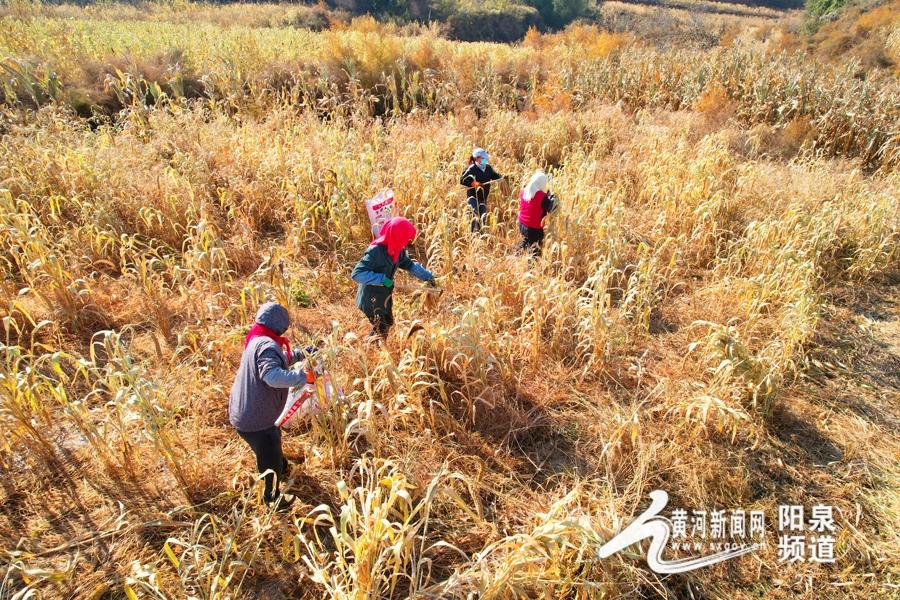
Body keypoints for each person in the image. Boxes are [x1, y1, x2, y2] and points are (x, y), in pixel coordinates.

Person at [229, 302, 312, 510]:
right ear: (279, 326)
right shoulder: (267, 345)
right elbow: (272, 376)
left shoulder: (257, 339)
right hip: (255, 419)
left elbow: (278, 360)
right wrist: (302, 377)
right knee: (268, 459)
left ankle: (282, 466)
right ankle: (272, 499)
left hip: (247, 410)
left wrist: (303, 353)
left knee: (273, 443)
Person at [351, 216, 435, 339]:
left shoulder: (397, 250)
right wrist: (382, 279)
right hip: (371, 298)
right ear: (397, 237)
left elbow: (410, 265)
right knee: (382, 328)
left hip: (384, 296)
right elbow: (357, 274)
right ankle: (370, 349)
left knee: (388, 322)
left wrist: (429, 277)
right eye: (405, 238)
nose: (407, 242)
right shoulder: (376, 252)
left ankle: (372, 344)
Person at [460, 148, 503, 232]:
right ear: (477, 158)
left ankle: (480, 234)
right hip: (473, 198)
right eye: (483, 159)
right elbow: (462, 180)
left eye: (486, 158)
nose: (485, 160)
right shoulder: (471, 169)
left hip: (483, 197)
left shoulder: (488, 168)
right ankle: (472, 234)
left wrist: (502, 177)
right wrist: (474, 183)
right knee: (474, 217)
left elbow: (495, 176)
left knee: (482, 217)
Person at [517, 170, 558, 258]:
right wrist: (553, 198)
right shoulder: (542, 196)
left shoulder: (524, 191)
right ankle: (531, 268)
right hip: (534, 229)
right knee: (536, 249)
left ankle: (516, 253)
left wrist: (546, 196)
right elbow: (551, 208)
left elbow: (533, 203)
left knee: (527, 240)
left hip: (521, 224)